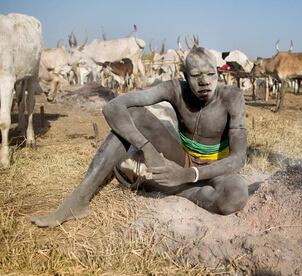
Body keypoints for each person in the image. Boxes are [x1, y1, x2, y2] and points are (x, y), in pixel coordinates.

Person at [31, 47, 249, 227]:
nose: (204, 82)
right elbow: (114, 107)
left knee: (235, 197)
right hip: (182, 156)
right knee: (134, 114)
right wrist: (147, 148)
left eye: (211, 74)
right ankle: (78, 201)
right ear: (184, 76)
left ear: (218, 73)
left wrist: (187, 175)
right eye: (195, 76)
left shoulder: (232, 97)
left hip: (217, 168)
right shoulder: (175, 89)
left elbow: (238, 159)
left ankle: (171, 185)